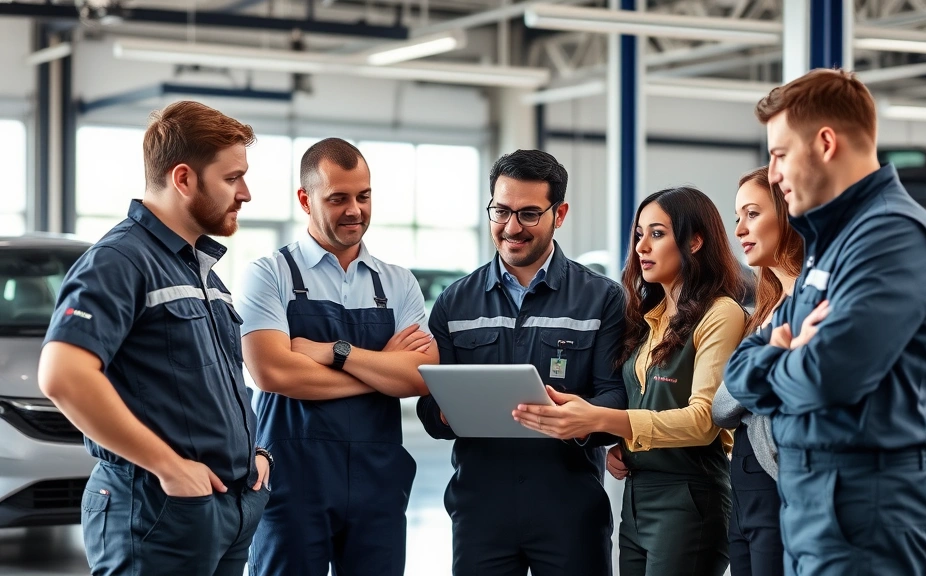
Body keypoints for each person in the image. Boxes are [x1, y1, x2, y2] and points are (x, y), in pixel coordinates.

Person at [724, 69, 926, 576]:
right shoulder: (830, 241)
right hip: (815, 500)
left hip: (865, 505)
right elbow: (736, 372)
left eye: (780, 154)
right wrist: (778, 355)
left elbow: (827, 376)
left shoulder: (891, 237)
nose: (774, 173)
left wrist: (778, 358)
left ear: (826, 142)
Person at [37, 101, 270, 576]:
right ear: (183, 179)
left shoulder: (201, 270)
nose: (245, 192)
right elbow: (63, 376)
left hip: (229, 505)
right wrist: (167, 465)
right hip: (158, 506)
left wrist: (256, 453)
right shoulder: (120, 261)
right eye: (232, 178)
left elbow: (218, 382)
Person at [515, 186, 746, 576]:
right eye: (639, 235)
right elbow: (646, 403)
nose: (642, 247)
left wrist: (603, 420)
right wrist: (624, 445)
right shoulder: (648, 317)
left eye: (657, 234)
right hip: (636, 495)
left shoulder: (721, 314)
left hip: (689, 498)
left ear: (694, 240)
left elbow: (705, 421)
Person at [416, 149, 626, 576]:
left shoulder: (602, 299)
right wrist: (445, 410)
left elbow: (616, 393)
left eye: (529, 214)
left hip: (569, 506)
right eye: (501, 211)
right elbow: (429, 405)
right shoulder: (455, 302)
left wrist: (582, 419)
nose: (512, 227)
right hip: (480, 508)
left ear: (559, 213)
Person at [235, 137, 439, 576]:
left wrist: (333, 353)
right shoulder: (268, 275)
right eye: (338, 198)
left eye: (363, 196)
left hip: (378, 483)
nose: (355, 210)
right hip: (292, 483)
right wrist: (382, 365)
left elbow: (420, 378)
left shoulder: (398, 283)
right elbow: (273, 373)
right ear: (305, 200)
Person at [712, 166, 803, 576]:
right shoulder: (764, 312)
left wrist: (750, 379)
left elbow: (740, 397)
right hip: (746, 487)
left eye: (752, 214)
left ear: (787, 213)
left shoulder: (810, 305)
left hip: (781, 483)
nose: (740, 230)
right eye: (737, 218)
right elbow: (723, 405)